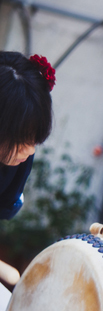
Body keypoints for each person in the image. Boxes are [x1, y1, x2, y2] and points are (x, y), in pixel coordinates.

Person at [0, 51, 55, 220]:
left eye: (33, 139)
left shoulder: (17, 161)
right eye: (20, 139)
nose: (30, 150)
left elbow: (6, 204)